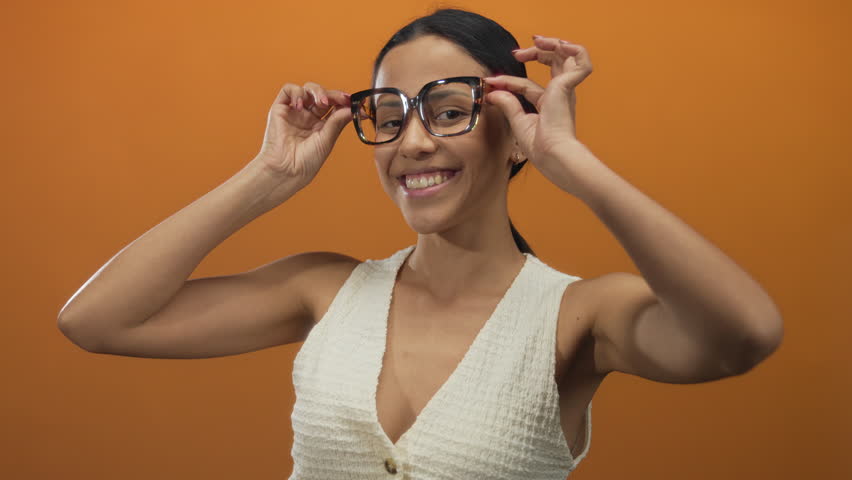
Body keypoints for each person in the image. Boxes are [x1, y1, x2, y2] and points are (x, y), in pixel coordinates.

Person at [57, 8, 784, 480]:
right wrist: (268, 176)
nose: (411, 142)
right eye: (390, 113)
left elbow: (745, 334)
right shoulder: (323, 289)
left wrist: (573, 164)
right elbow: (96, 321)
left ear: (516, 125)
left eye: (447, 112)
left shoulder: (579, 318)